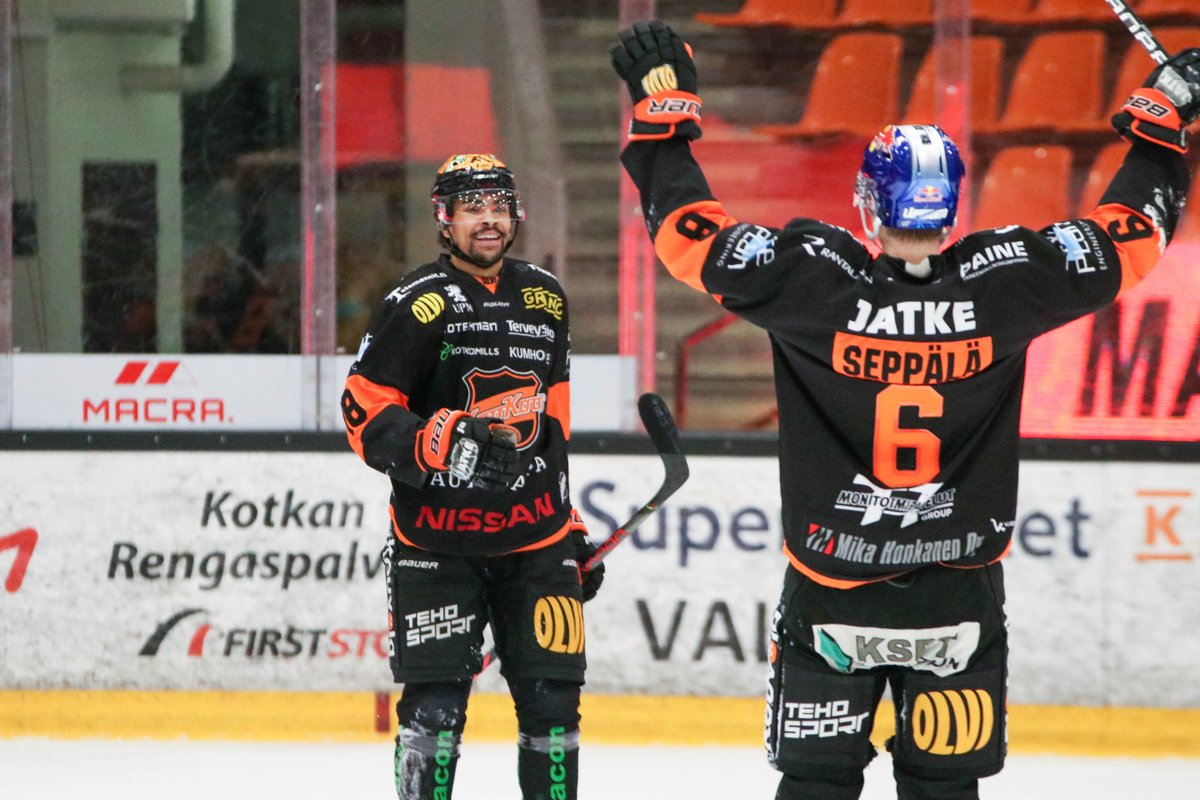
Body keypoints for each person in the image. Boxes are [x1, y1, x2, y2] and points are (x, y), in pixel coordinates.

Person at [611, 20, 1198, 800]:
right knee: (944, 792)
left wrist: (665, 114)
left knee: (816, 789)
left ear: (867, 202)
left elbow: (687, 231)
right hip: (957, 590)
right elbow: (1133, 233)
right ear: (951, 204)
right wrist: (1163, 120)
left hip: (832, 580)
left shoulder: (811, 281)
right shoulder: (1007, 287)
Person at [341, 153, 602, 800]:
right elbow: (361, 412)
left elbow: (554, 426)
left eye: (498, 207)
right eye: (471, 209)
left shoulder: (546, 297)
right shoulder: (416, 303)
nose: (488, 221)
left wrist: (566, 520)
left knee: (554, 712)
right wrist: (433, 441)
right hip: (436, 546)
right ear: (444, 219)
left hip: (537, 546)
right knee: (434, 712)